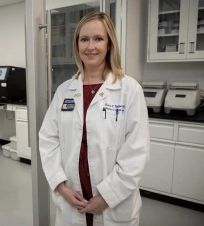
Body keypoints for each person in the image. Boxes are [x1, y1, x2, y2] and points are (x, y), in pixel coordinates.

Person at [39, 12, 150, 226]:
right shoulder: (64, 91)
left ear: (109, 44)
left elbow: (136, 152)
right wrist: (61, 186)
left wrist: (107, 196)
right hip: (72, 199)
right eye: (84, 39)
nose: (91, 46)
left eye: (98, 39)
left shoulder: (129, 90)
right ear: (77, 45)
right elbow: (48, 140)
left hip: (113, 203)